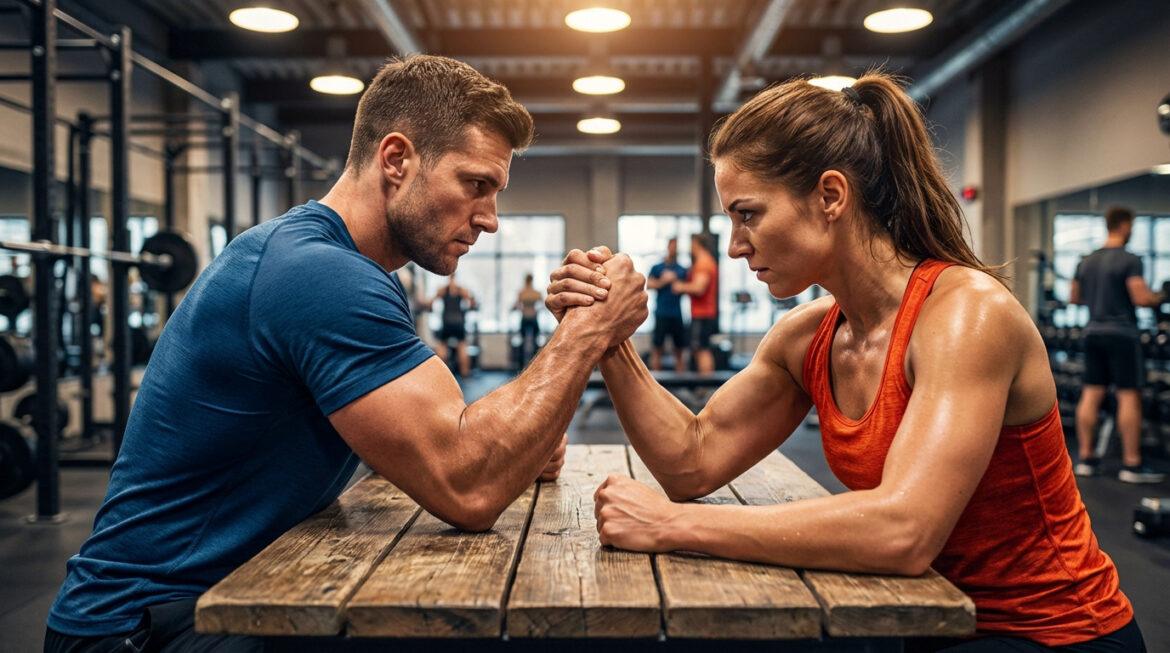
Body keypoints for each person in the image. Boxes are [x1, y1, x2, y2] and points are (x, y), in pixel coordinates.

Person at [46, 55, 648, 653]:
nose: (489, 219)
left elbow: (444, 445)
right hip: (144, 626)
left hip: (218, 598)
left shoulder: (340, 266)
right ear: (396, 159)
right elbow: (469, 489)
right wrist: (586, 333)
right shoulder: (319, 274)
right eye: (476, 185)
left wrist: (517, 440)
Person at [547, 73, 1144, 650]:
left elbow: (903, 531)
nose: (733, 245)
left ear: (830, 196)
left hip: (1050, 631)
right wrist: (607, 332)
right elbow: (691, 460)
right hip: (920, 621)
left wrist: (674, 527)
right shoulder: (807, 337)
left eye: (747, 214)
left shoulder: (966, 315)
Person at [1070, 206, 1166, 483]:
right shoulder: (1129, 259)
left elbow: (1074, 297)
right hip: (1122, 334)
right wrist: (1158, 297)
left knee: (1091, 393)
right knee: (1128, 396)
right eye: (1132, 225)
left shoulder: (1086, 261)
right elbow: (1140, 297)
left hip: (1093, 332)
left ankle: (1087, 458)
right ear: (1124, 225)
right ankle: (1131, 465)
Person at [671, 233, 718, 373]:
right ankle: (704, 386)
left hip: (702, 313)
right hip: (703, 313)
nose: (691, 247)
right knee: (700, 349)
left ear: (697, 244)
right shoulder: (705, 261)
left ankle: (706, 387)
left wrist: (680, 286)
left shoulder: (703, 263)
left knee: (702, 350)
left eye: (692, 244)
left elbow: (699, 288)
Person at [646, 237, 688, 372]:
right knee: (657, 349)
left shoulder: (681, 269)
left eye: (676, 247)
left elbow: (686, 287)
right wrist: (664, 281)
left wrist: (676, 282)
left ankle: (681, 383)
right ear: (668, 247)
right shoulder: (657, 268)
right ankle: (654, 383)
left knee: (679, 350)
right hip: (661, 313)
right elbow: (650, 284)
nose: (674, 249)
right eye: (672, 246)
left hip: (677, 314)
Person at [431, 273, 475, 376]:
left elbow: (431, 303)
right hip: (458, 324)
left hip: (447, 323)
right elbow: (472, 304)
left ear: (449, 278)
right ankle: (465, 373)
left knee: (442, 346)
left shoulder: (443, 290)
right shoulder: (461, 290)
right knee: (462, 346)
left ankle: (443, 374)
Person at [514, 273, 543, 367]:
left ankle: (532, 364)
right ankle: (525, 365)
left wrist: (524, 310)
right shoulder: (525, 292)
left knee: (534, 341)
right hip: (528, 317)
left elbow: (542, 305)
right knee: (525, 342)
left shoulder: (530, 292)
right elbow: (517, 305)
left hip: (530, 318)